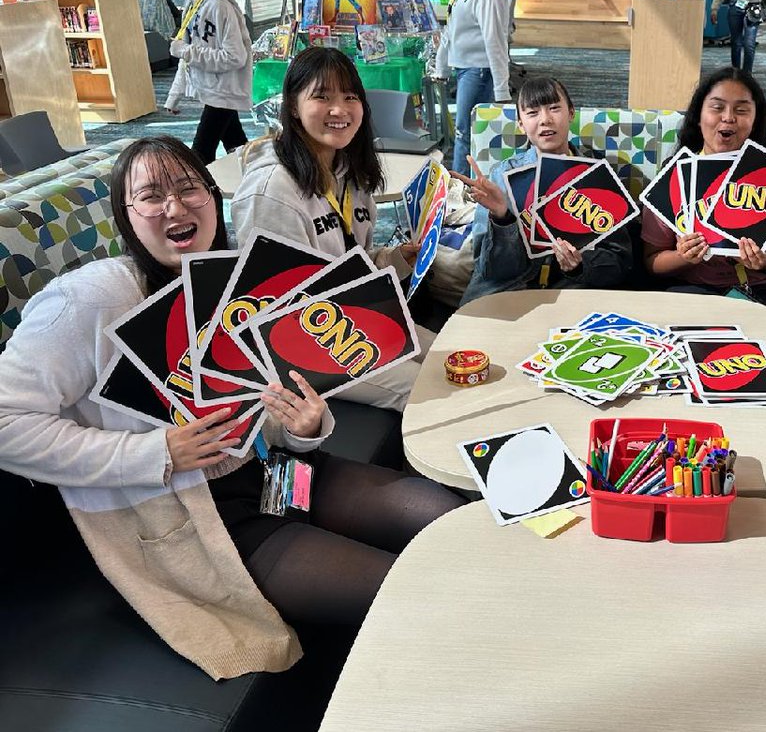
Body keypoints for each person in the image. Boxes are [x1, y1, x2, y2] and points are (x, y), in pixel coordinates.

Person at [0, 136, 464, 679]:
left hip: (278, 472)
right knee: (417, 594)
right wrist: (155, 452)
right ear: (127, 217)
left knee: (446, 517)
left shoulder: (234, 278)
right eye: (150, 196)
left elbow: (272, 406)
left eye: (188, 188)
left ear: (212, 196)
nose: (175, 206)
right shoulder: (93, 297)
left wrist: (309, 424)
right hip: (199, 518)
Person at [231, 47, 429, 411]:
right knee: (424, 388)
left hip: (349, 314)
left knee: (449, 354)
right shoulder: (272, 190)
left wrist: (396, 259)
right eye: (322, 97)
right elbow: (273, 304)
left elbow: (349, 263)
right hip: (302, 340)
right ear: (293, 106)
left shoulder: (350, 171)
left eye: (350, 97)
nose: (339, 110)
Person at [641, 67, 766, 317]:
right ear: (698, 117)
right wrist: (683, 256)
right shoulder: (674, 178)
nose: (728, 117)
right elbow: (651, 262)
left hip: (765, 291)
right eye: (717, 107)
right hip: (692, 291)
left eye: (741, 110)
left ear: (755, 120)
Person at [452, 75, 632, 303]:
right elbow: (490, 270)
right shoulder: (503, 175)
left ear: (571, 113)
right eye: (532, 113)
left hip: (573, 291)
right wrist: (502, 218)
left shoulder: (597, 172)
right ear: (520, 124)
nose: (545, 119)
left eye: (554, 108)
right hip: (508, 291)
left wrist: (580, 265)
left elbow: (620, 260)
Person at [433, 0, 511, 176]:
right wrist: (441, 65)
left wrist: (501, 90)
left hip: (479, 71)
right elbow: (452, 24)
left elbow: (495, 39)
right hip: (465, 68)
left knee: (466, 136)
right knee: (463, 134)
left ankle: (461, 194)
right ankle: (460, 190)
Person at [164, 0, 251, 165]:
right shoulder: (193, 3)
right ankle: (255, 185)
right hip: (213, 90)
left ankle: (208, 199)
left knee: (199, 157)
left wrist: (187, 51)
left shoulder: (220, 5)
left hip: (223, 91)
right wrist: (175, 95)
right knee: (237, 146)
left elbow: (235, 56)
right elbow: (187, 54)